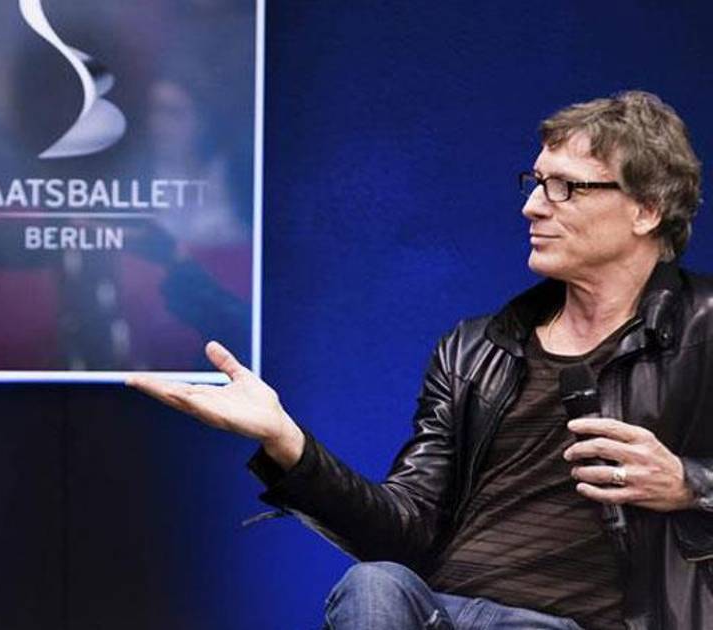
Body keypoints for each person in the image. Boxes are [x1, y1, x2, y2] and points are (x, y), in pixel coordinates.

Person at [128, 90, 711, 629]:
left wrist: (689, 483)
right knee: (375, 584)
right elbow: (402, 530)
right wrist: (287, 443)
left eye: (566, 187)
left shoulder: (702, 329)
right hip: (441, 612)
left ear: (646, 208)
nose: (533, 206)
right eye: (535, 183)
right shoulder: (476, 350)